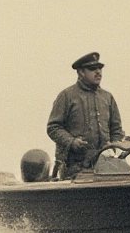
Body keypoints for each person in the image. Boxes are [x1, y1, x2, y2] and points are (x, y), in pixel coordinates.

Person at [47, 51, 124, 179]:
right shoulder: (66, 96)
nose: (98, 72)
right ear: (81, 72)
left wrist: (114, 145)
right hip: (75, 168)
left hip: (106, 166)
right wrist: (71, 142)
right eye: (93, 69)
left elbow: (116, 128)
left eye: (100, 68)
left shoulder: (107, 98)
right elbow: (53, 127)